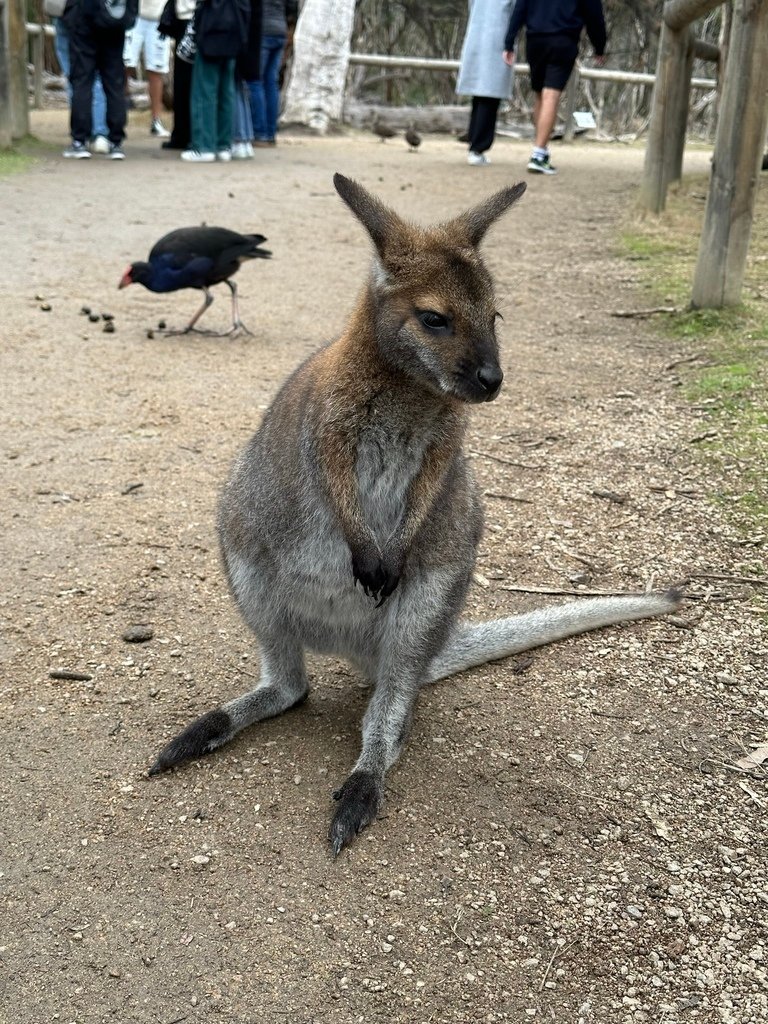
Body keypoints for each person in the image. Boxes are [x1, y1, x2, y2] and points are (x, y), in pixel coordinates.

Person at [504, 0, 606, 175]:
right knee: (550, 95)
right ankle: (538, 153)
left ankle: (540, 150)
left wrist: (509, 41)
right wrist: (599, 46)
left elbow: (521, 7)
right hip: (563, 39)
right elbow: (593, 13)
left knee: (539, 95)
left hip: (535, 40)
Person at [62, 0, 136, 160]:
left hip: (85, 22)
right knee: (114, 83)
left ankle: (79, 140)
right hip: (115, 21)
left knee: (82, 81)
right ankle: (116, 141)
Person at [181, 0, 250, 162]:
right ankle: (223, 145)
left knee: (205, 92)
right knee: (227, 92)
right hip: (234, 31)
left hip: (212, 30)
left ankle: (204, 146)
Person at [456, 0, 515, 167]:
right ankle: (478, 147)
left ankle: (475, 143)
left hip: (478, 35)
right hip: (498, 41)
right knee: (489, 97)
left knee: (480, 96)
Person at [47, 0, 110, 153]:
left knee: (75, 75)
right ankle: (99, 132)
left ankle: (80, 135)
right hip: (100, 12)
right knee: (97, 75)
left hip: (68, 12)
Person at [248, 0, 296, 147]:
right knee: (271, 82)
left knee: (255, 81)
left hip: (262, 31)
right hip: (280, 31)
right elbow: (292, 7)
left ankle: (259, 132)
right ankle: (270, 132)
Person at [123, 0, 173, 137]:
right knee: (125, 65)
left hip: (159, 15)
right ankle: (117, 118)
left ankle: (156, 120)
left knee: (156, 70)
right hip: (133, 14)